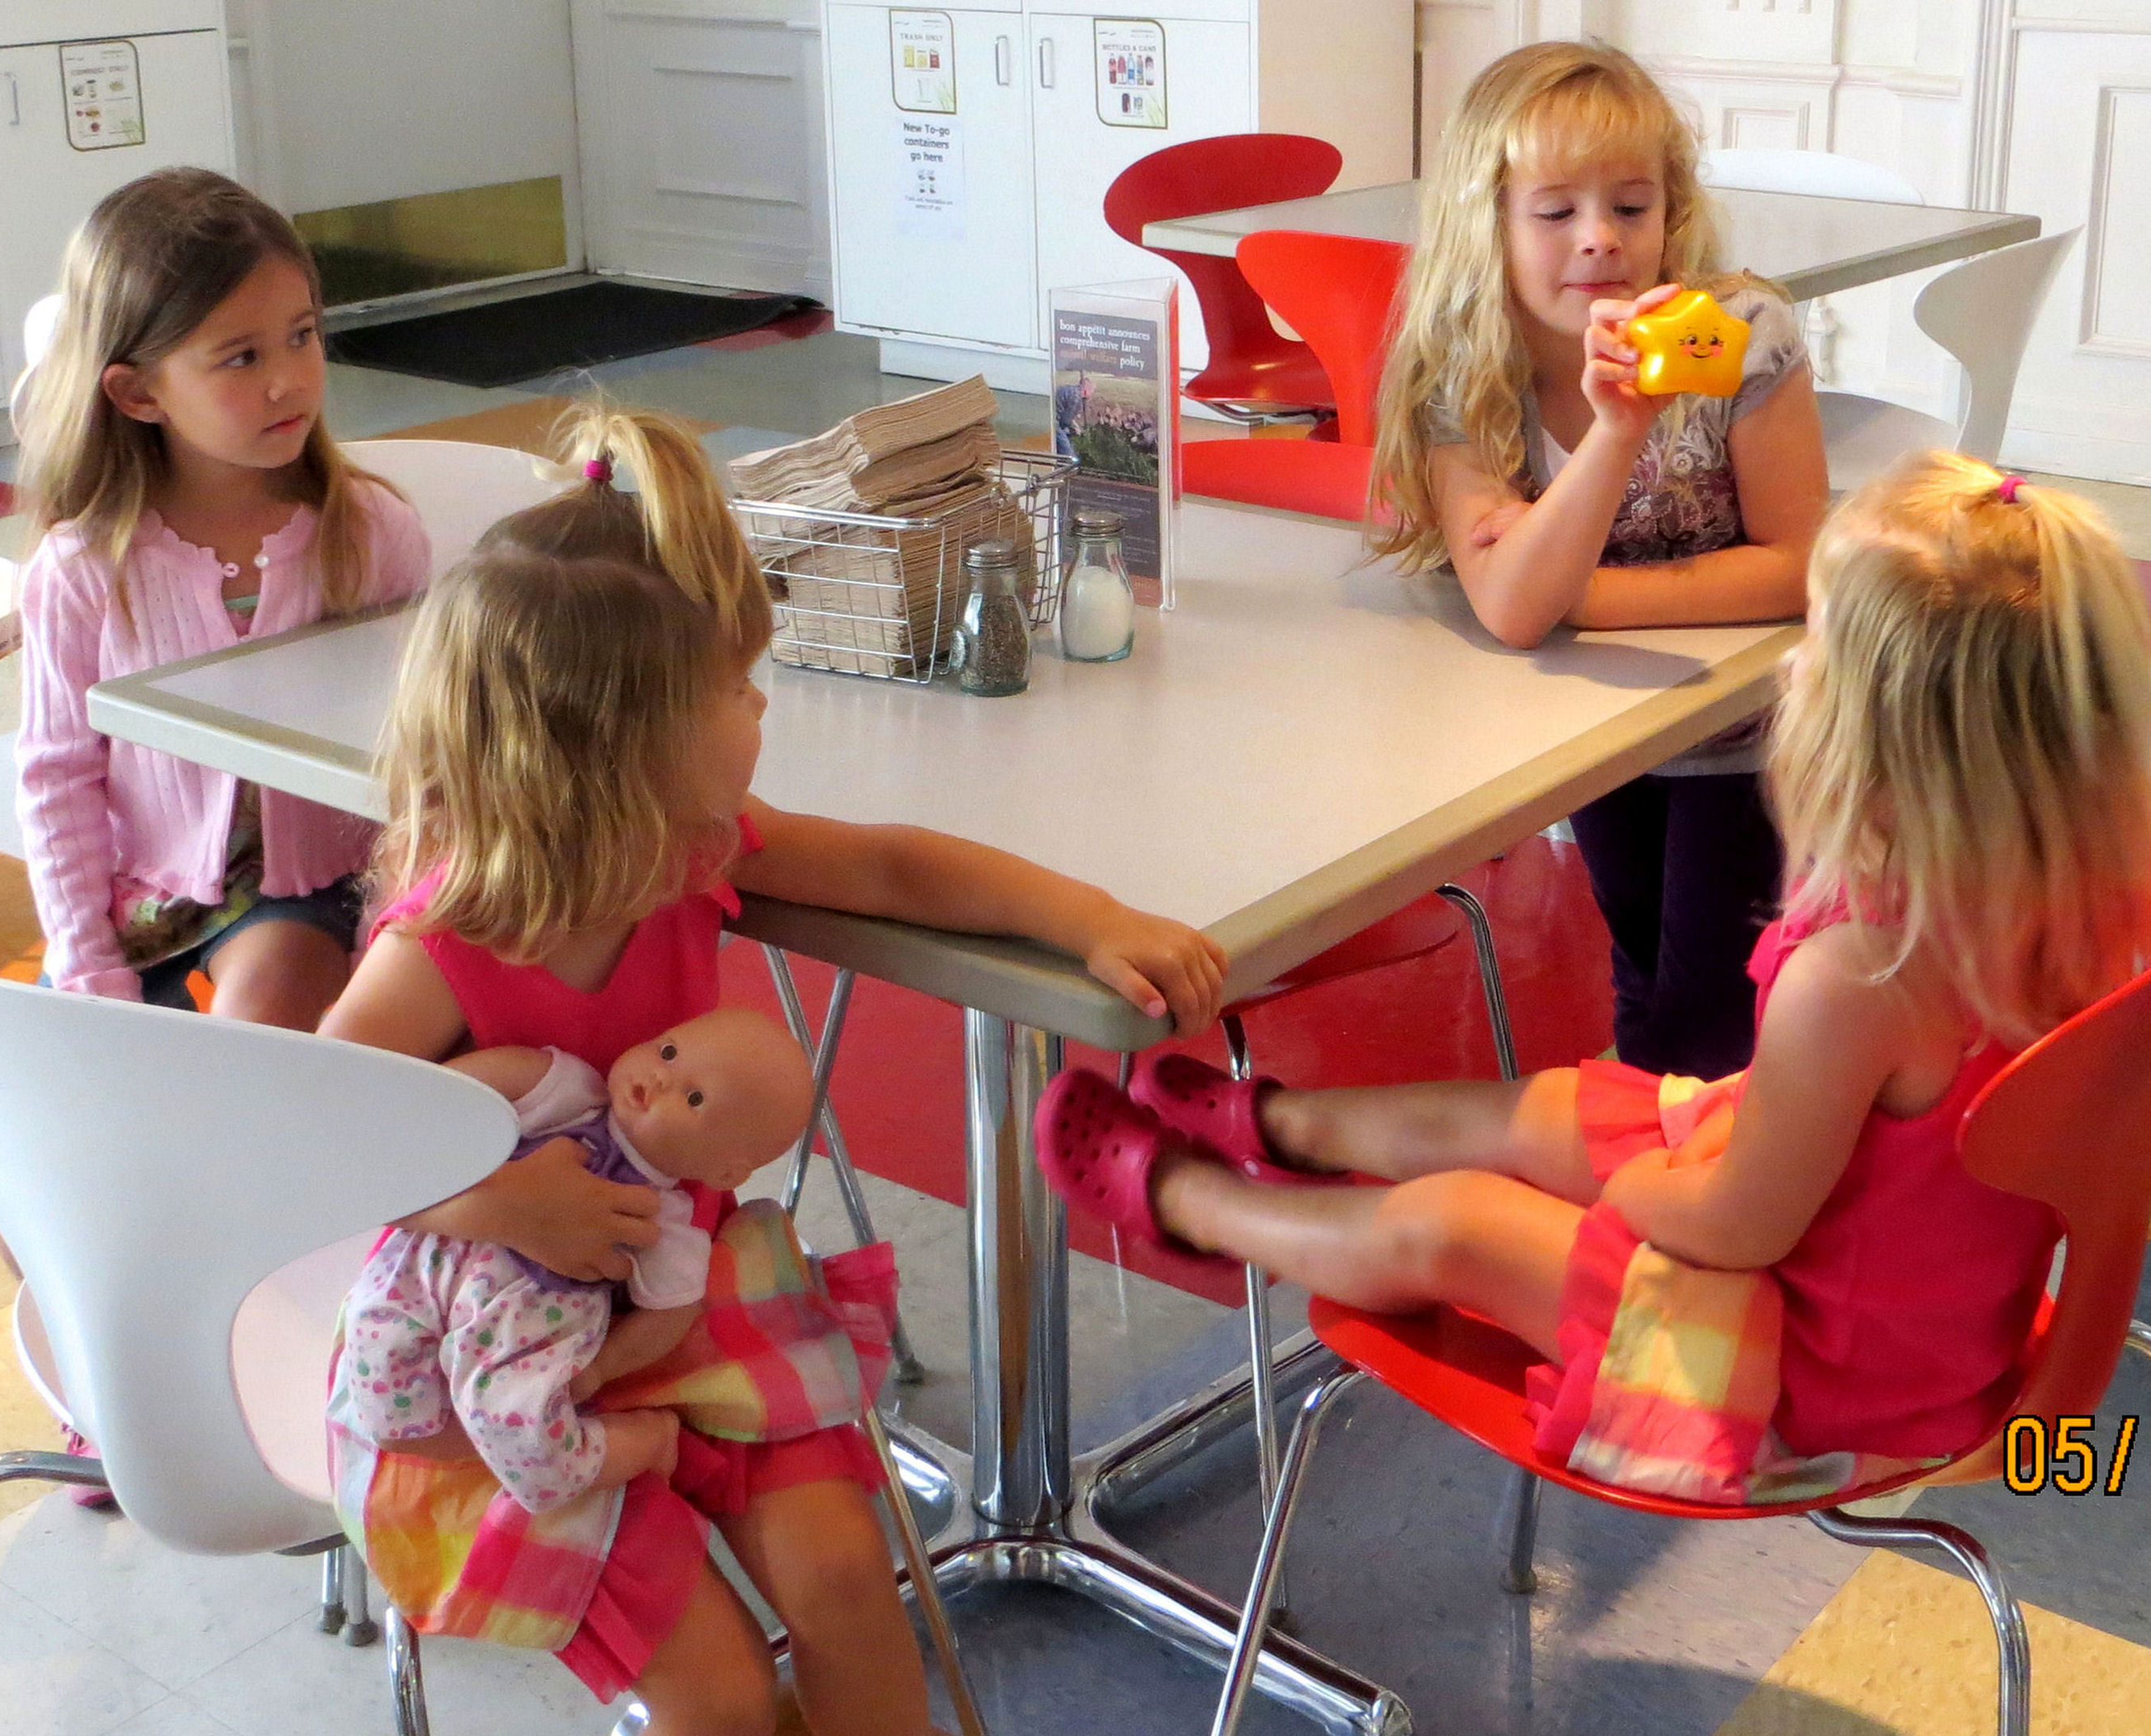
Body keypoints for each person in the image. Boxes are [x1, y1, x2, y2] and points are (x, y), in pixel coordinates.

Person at [319, 404, 1228, 1736]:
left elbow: (890, 864)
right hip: (504, 1346)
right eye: (735, 692)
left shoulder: (688, 846)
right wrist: (497, 1204)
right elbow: (314, 1134)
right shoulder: (441, 951)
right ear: (614, 752)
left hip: (685, 1278)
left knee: (850, 1582)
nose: (764, 706)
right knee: (723, 1695)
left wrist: (1090, 915)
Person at [1038, 454, 2151, 1504]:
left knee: (1461, 1224)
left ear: (1883, 739)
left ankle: (1192, 1198)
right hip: (1915, 1300)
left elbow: (1738, 1226)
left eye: (1816, 640)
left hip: (1814, 1380)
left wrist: (1634, 1196)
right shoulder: (2099, 889)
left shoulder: (1859, 975)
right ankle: (1284, 1128)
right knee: (1553, 1110)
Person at [1373, 43, 1829, 1076]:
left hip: (1756, 735)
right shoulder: (1463, 379)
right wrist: (1617, 435)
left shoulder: (1740, 333)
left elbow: (1800, 564)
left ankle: (1705, 1202)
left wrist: (1566, 581)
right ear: (1485, 221)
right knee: (1641, 975)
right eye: (1555, 212)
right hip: (1599, 735)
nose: (1601, 241)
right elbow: (1514, 611)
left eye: (1632, 206)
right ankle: (1659, 1183)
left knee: (1714, 1009)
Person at [15, 166, 429, 1022]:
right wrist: (89, 970)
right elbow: (58, 778)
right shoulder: (83, 566)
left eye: (302, 335)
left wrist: (401, 926)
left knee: (261, 1024)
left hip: (315, 885)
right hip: (143, 888)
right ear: (138, 393)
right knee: (65, 1084)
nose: (288, 380)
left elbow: (426, 751)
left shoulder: (371, 532)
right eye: (240, 357)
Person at [335, 1009, 817, 1515]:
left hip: (519, 1327)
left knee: (530, 1443)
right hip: (433, 1257)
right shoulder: (569, 1094)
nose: (660, 1076)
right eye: (668, 1051)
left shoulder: (669, 1225)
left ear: (724, 1171)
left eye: (694, 1097)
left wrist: (604, 1368)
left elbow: (672, 1314)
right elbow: (467, 1090)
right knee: (377, 1357)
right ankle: (440, 1439)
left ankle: (646, 1441)